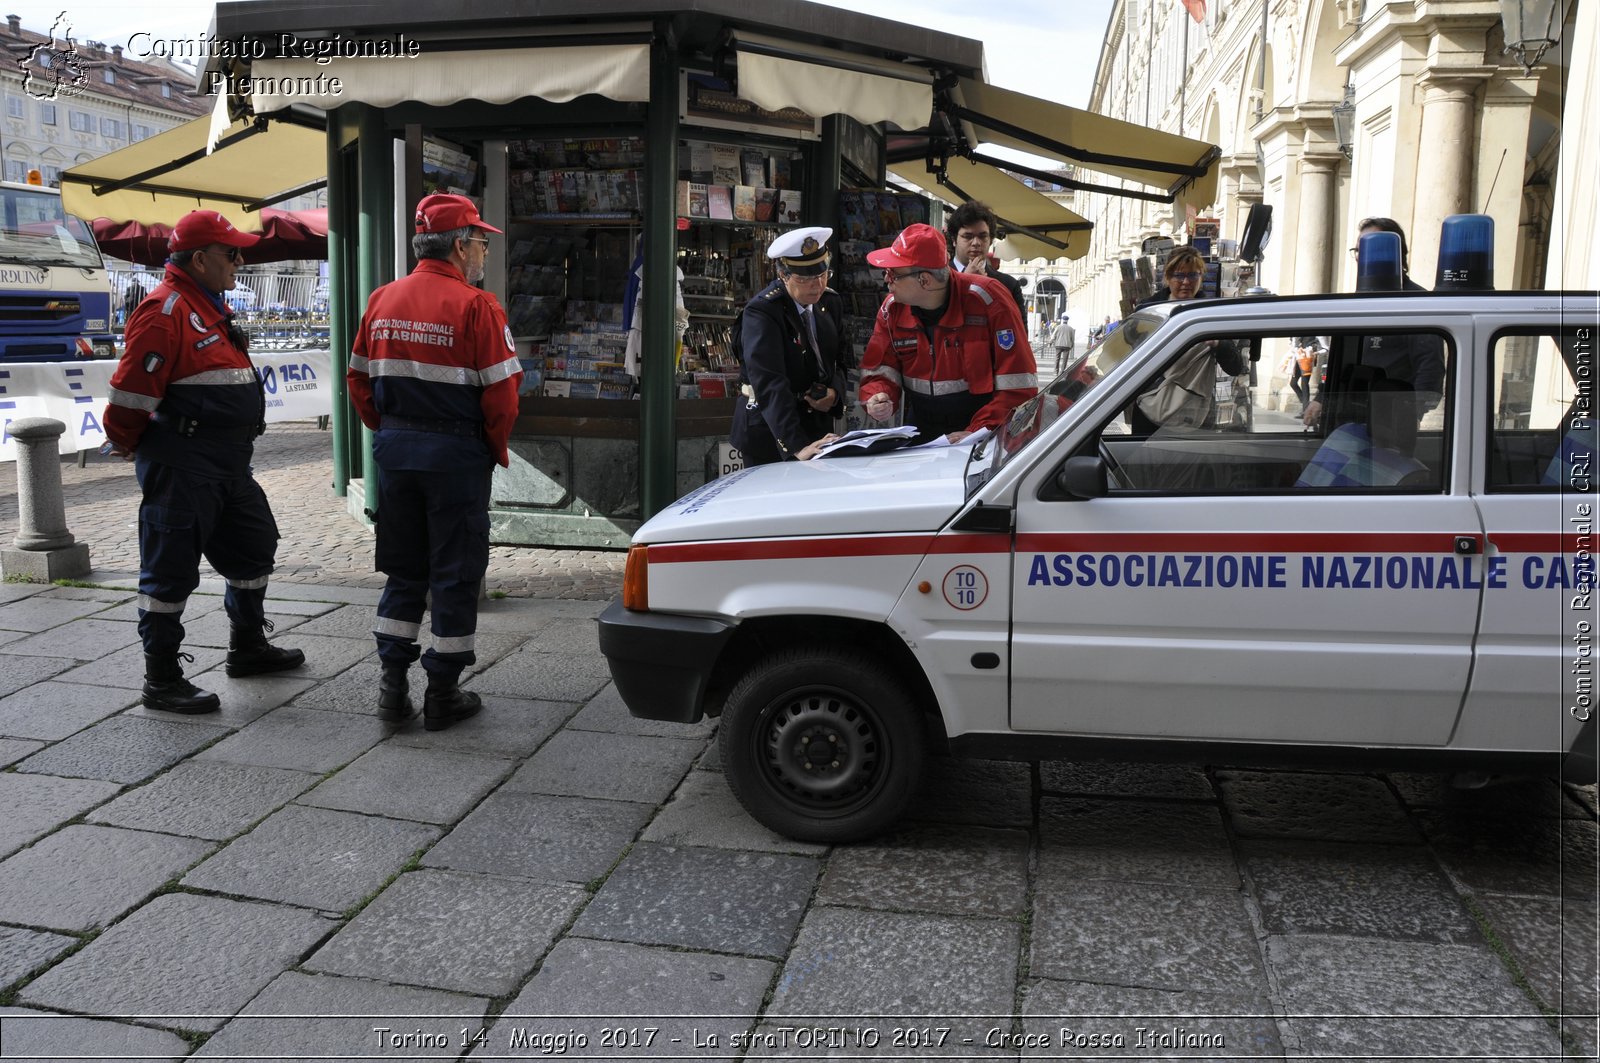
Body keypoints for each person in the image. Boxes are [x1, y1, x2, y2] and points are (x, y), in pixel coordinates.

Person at [102, 210, 305, 714]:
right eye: (230, 253)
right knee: (169, 572)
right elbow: (129, 398)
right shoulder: (165, 310)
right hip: (185, 465)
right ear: (199, 259)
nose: (240, 260)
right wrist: (128, 442)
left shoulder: (207, 306)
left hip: (229, 465)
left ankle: (248, 647)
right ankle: (163, 678)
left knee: (254, 547)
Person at [347, 193, 523, 731]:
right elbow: (503, 395)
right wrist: (491, 449)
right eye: (481, 241)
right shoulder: (478, 307)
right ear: (459, 245)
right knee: (454, 572)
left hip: (397, 454)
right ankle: (443, 692)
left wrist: (394, 432)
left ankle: (391, 687)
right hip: (455, 457)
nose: (486, 251)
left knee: (404, 571)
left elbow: (358, 382)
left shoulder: (381, 300)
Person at [859, 222, 1038, 443]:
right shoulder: (891, 309)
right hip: (920, 432)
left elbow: (1019, 385)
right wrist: (878, 395)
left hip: (981, 435)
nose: (886, 279)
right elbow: (880, 369)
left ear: (924, 280)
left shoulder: (989, 300)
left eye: (893, 274)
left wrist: (978, 432)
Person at [1304, 216, 1445, 425]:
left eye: (1374, 247)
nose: (1363, 256)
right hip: (1348, 417)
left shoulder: (1416, 303)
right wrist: (1320, 399)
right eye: (1359, 250)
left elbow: (1430, 370)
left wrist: (1408, 415)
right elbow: (1342, 361)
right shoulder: (1357, 301)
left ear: (1397, 253)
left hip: (1389, 423)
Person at [729, 226, 850, 465]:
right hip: (771, 432)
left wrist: (834, 393)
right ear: (783, 275)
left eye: (823, 274)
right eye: (805, 279)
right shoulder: (762, 311)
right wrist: (796, 445)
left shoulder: (830, 302)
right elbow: (769, 382)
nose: (817, 285)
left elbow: (841, 360)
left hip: (816, 425)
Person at [1128, 246, 1245, 434]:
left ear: (1201, 276)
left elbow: (1235, 367)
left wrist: (1219, 344)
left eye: (1193, 276)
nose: (1185, 282)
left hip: (1192, 411)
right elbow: (1131, 355)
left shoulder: (1210, 312)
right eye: (1178, 275)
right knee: (1142, 462)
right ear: (1167, 277)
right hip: (1150, 406)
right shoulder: (1149, 309)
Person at [945, 201, 1027, 316]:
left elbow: (1019, 331)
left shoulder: (1008, 285)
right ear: (954, 240)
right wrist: (965, 281)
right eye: (968, 236)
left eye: (982, 236)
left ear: (991, 240)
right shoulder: (937, 278)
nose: (976, 243)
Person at [1289, 336, 1321, 410]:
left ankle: (1305, 408)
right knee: (1293, 383)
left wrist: (1314, 352)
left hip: (1307, 358)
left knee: (1304, 384)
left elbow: (1324, 347)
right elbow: (1294, 343)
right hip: (1298, 357)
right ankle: (1306, 405)